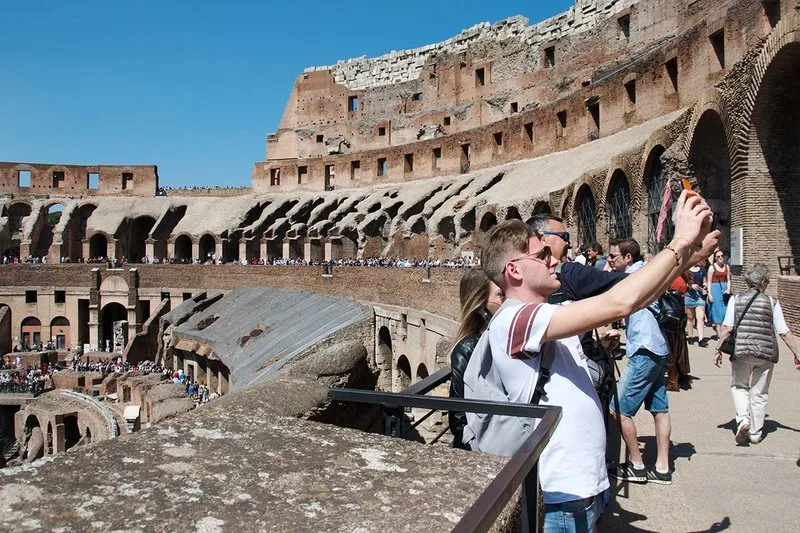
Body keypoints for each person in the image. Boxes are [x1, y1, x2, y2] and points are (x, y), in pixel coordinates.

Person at [476, 190, 715, 531]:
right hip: (561, 491)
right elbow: (621, 302)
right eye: (542, 254)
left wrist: (687, 255)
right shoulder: (515, 319)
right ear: (513, 270)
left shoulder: (547, 312)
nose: (553, 258)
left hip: (583, 484)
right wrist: (679, 241)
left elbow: (635, 293)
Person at [607, 238, 673, 485]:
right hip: (657, 347)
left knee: (619, 409)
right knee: (660, 409)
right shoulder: (646, 274)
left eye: (614, 256)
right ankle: (663, 467)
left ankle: (636, 464)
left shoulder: (632, 278)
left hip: (644, 348)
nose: (610, 260)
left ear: (628, 258)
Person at [714, 263, 800, 445]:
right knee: (760, 393)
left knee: (739, 386)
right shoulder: (771, 302)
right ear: (764, 282)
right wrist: (797, 354)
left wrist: (718, 349)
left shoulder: (735, 300)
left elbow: (728, 328)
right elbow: (784, 331)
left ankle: (743, 420)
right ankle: (755, 432)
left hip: (742, 352)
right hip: (765, 353)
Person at [449, 268, 504, 449]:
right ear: (481, 306)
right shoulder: (468, 349)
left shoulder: (504, 338)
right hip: (487, 448)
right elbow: (458, 417)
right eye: (500, 295)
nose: (506, 301)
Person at [665, 271, 692, 391]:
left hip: (671, 316)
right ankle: (682, 377)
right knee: (679, 347)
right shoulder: (681, 276)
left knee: (672, 349)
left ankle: (673, 380)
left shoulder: (674, 278)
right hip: (679, 315)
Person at [706, 250, 731, 339]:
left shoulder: (727, 267)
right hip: (715, 288)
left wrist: (728, 289)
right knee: (717, 310)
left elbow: (728, 280)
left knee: (725, 309)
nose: (721, 258)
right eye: (718, 256)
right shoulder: (712, 268)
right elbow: (709, 282)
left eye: (722, 256)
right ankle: (719, 333)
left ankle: (725, 331)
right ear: (715, 258)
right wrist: (709, 294)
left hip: (724, 288)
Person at [685, 259, 708, 346]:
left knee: (701, 317)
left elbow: (705, 282)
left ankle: (701, 339)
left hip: (699, 296)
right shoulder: (686, 270)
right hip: (689, 295)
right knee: (690, 318)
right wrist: (691, 285)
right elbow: (683, 283)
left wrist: (705, 287)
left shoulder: (702, 270)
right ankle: (690, 336)